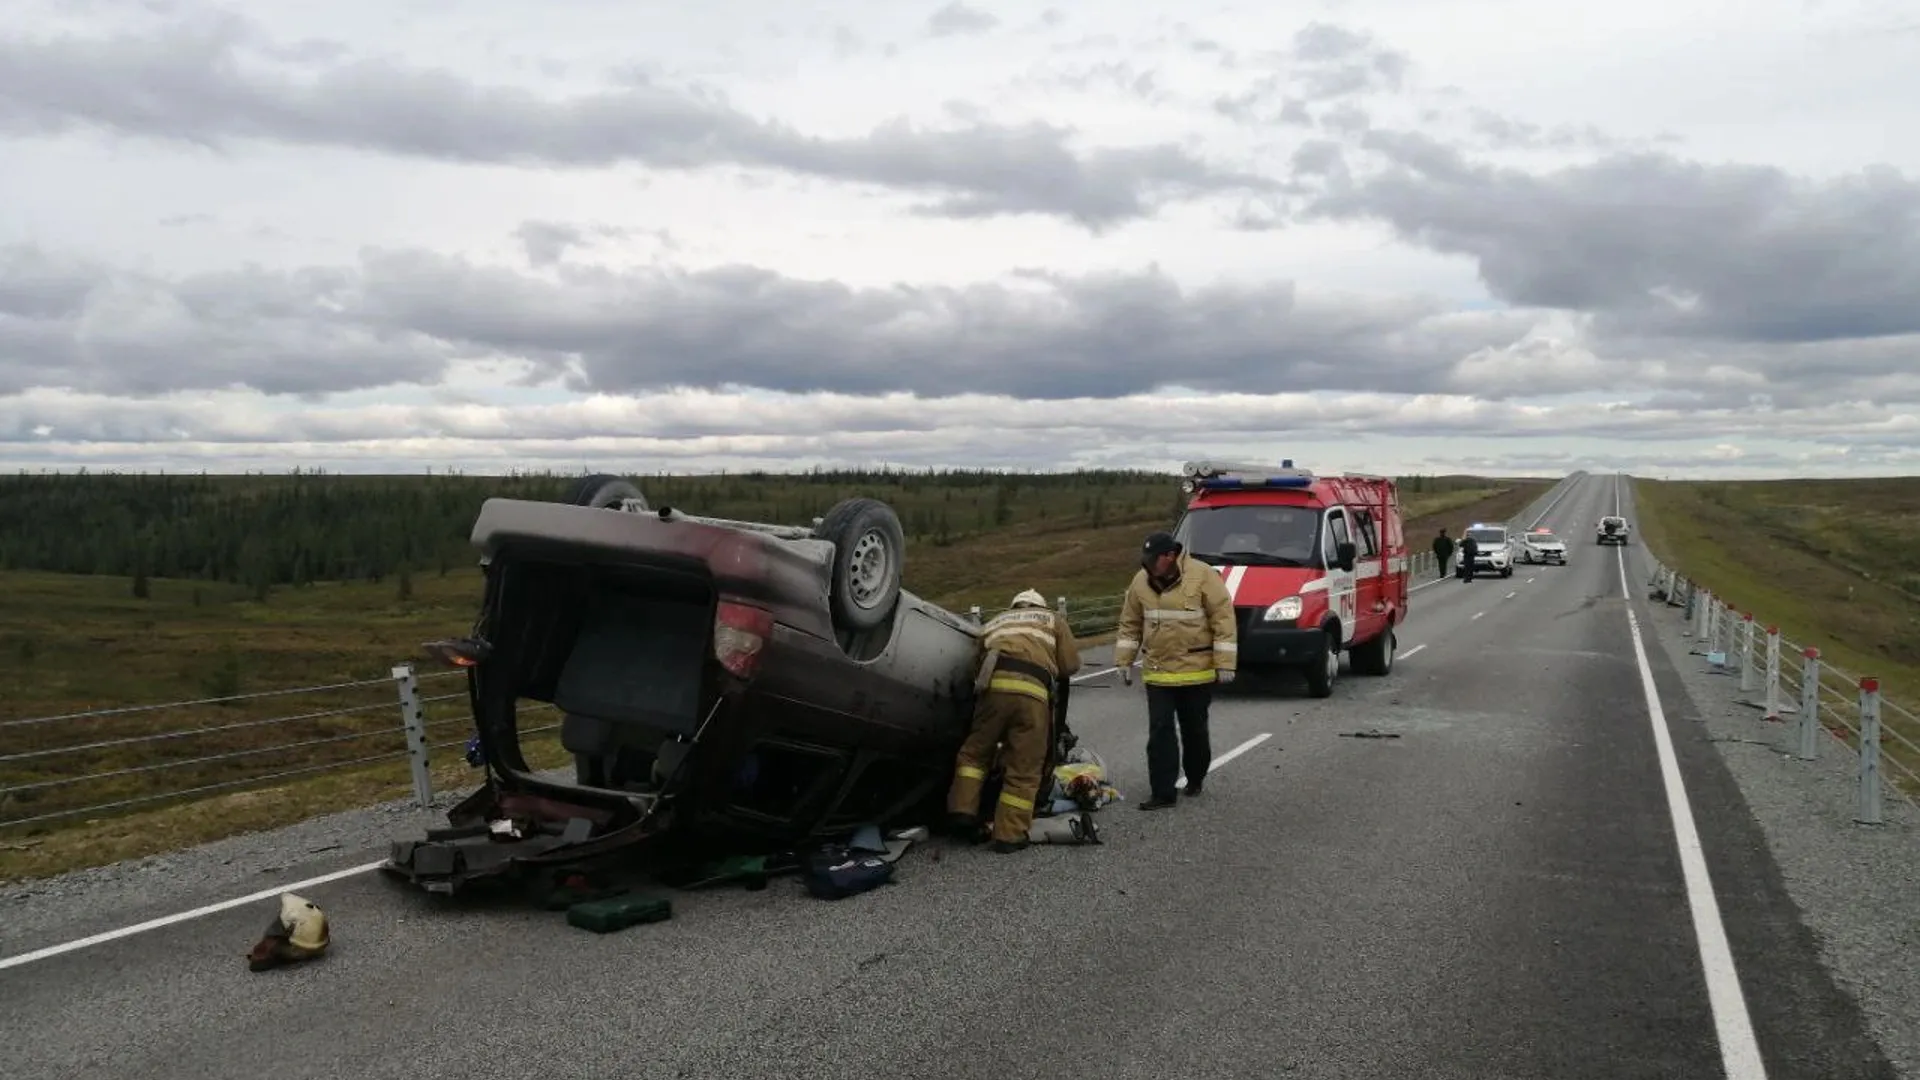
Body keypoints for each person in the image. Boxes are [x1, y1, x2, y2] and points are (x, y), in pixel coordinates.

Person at [945, 588, 1082, 853]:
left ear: (1015, 605)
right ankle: (1009, 834)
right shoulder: (1052, 619)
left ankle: (962, 811)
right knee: (1024, 765)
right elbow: (1070, 666)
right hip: (1031, 694)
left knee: (974, 755)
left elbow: (975, 666)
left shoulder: (995, 622)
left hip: (992, 692)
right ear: (1039, 605)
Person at [1114, 532, 1237, 811]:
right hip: (1158, 671)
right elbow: (1130, 623)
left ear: (1169, 557)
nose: (1147, 565)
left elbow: (1223, 619)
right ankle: (1162, 791)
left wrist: (1225, 663)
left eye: (1152, 559)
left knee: (1194, 730)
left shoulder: (1203, 575)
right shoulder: (1140, 581)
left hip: (1197, 671)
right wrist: (1123, 661)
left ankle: (1195, 777)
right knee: (1160, 732)